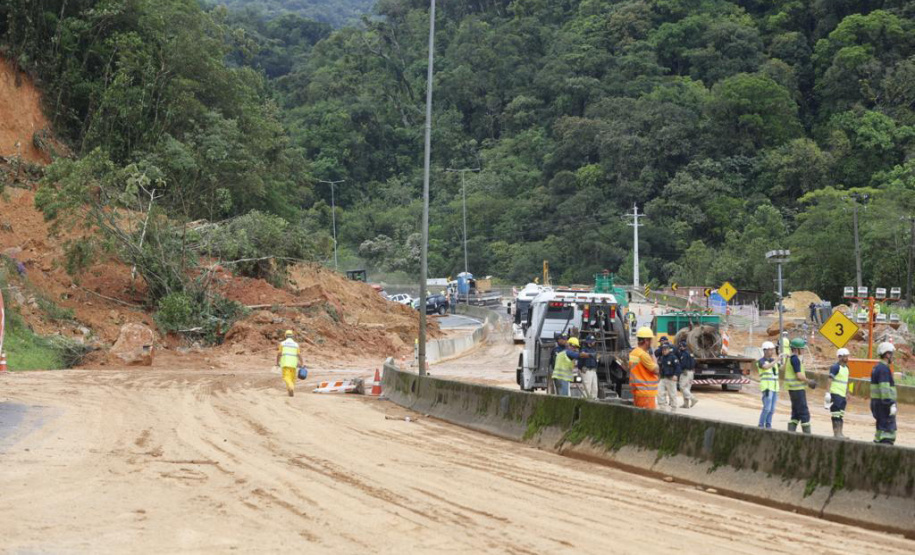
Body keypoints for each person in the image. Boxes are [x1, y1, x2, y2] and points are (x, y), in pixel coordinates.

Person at [786, 337, 815, 433]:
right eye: (802, 349)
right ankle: (807, 437)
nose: (803, 351)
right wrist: (808, 381)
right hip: (797, 390)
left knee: (796, 414)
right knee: (804, 413)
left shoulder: (791, 358)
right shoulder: (795, 360)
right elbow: (798, 375)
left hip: (793, 389)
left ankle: (790, 434)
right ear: (796, 349)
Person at [871, 342, 898, 445]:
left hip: (877, 403)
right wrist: (890, 403)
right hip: (884, 405)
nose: (893, 357)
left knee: (880, 430)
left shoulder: (877, 368)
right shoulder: (883, 369)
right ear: (887, 354)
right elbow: (884, 389)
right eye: (891, 354)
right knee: (887, 432)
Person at [629, 327, 660, 409]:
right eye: (650, 340)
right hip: (646, 393)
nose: (651, 342)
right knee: (649, 419)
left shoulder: (634, 352)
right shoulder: (643, 355)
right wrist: (652, 354)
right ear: (646, 341)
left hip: (637, 391)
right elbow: (656, 370)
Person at [825, 348, 851, 438]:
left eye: (847, 356)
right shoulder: (835, 367)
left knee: (840, 415)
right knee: (835, 415)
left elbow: (846, 381)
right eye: (845, 356)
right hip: (835, 394)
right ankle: (836, 433)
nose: (847, 358)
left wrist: (848, 393)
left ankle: (840, 433)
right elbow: (829, 379)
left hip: (842, 395)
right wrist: (827, 393)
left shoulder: (846, 368)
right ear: (840, 357)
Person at [757, 341, 779, 428]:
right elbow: (766, 367)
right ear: (765, 350)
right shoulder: (761, 361)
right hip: (766, 388)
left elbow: (781, 367)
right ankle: (761, 425)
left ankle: (768, 425)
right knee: (767, 408)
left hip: (774, 388)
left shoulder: (773, 361)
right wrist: (777, 360)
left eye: (773, 350)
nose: (772, 352)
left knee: (772, 409)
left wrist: (783, 357)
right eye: (770, 350)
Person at [275, 330, 304, 397]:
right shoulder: (296, 344)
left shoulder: (282, 343)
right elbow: (299, 354)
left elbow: (279, 354)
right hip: (293, 364)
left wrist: (277, 362)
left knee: (286, 377)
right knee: (292, 378)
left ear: (285, 336)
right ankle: (290, 390)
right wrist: (302, 363)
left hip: (285, 363)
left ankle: (290, 388)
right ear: (292, 336)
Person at [657, 342, 681, 412]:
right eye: (663, 350)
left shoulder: (673, 357)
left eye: (665, 349)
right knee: (660, 393)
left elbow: (678, 367)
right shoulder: (662, 358)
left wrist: (676, 375)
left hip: (671, 378)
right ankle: (662, 408)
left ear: (669, 349)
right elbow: (660, 367)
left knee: (672, 394)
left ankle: (673, 409)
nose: (664, 351)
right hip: (663, 378)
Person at [676, 340, 697, 408]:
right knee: (687, 388)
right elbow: (694, 362)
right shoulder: (690, 353)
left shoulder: (684, 354)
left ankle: (693, 398)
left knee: (682, 387)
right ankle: (686, 404)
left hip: (685, 372)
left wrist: (678, 370)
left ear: (683, 347)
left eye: (680, 346)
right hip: (691, 372)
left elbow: (683, 364)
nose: (679, 348)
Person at [579, 336, 599, 400]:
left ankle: (593, 402)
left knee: (594, 388)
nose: (594, 342)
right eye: (593, 341)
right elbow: (582, 356)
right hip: (587, 371)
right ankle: (584, 402)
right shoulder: (584, 350)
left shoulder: (593, 350)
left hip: (593, 371)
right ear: (589, 342)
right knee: (587, 388)